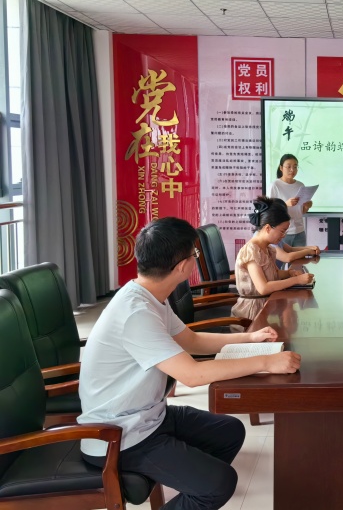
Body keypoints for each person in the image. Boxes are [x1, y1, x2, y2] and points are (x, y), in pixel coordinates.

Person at [78, 217, 301, 510]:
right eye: (194, 254)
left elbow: (191, 340)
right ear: (183, 266)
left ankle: (191, 483)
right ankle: (199, 488)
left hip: (148, 416)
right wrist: (267, 362)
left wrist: (249, 338)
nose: (195, 259)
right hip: (120, 435)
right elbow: (193, 375)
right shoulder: (136, 313)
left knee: (230, 432)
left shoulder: (150, 296)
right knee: (219, 484)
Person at [231, 196, 315, 322]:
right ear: (268, 228)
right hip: (252, 314)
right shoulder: (251, 251)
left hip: (267, 305)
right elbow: (263, 288)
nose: (283, 236)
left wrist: (289, 273)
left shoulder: (268, 248)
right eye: (282, 231)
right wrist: (296, 280)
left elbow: (274, 273)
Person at [267, 153, 311, 247]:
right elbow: (269, 210)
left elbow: (300, 212)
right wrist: (285, 204)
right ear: (281, 168)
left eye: (295, 167)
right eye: (289, 167)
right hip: (282, 232)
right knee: (281, 257)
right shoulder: (275, 185)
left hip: (299, 231)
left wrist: (306, 206)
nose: (292, 170)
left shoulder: (300, 185)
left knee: (300, 257)